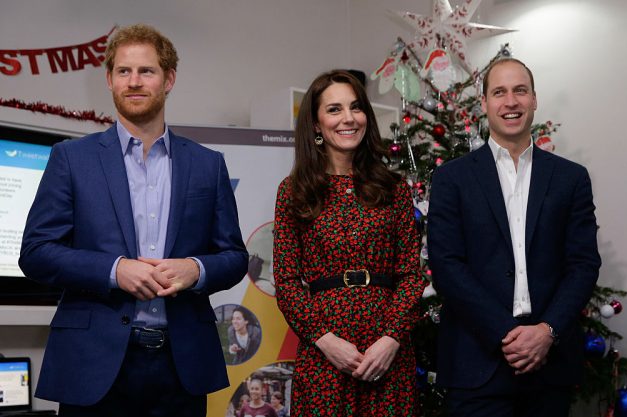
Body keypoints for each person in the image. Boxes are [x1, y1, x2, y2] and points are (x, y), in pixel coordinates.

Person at [19, 24, 248, 417]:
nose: (134, 81)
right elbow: (36, 252)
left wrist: (195, 269)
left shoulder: (207, 165)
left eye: (147, 71)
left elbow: (234, 256)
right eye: (123, 71)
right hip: (93, 365)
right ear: (109, 80)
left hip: (182, 366)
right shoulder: (71, 159)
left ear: (169, 79)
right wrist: (114, 270)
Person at [427, 58, 601, 417]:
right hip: (476, 365)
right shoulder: (452, 179)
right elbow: (446, 266)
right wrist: (508, 333)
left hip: (549, 365)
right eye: (499, 92)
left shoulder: (571, 179)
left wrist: (546, 331)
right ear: (485, 104)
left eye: (520, 91)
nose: (511, 102)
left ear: (534, 99)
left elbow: (583, 265)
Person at [272, 70, 425, 416]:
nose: (348, 118)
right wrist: (326, 341)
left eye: (355, 108)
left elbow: (411, 276)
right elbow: (286, 282)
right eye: (334, 109)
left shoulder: (394, 188)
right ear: (315, 123)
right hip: (325, 350)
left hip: (388, 351)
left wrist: (391, 339)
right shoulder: (294, 191)